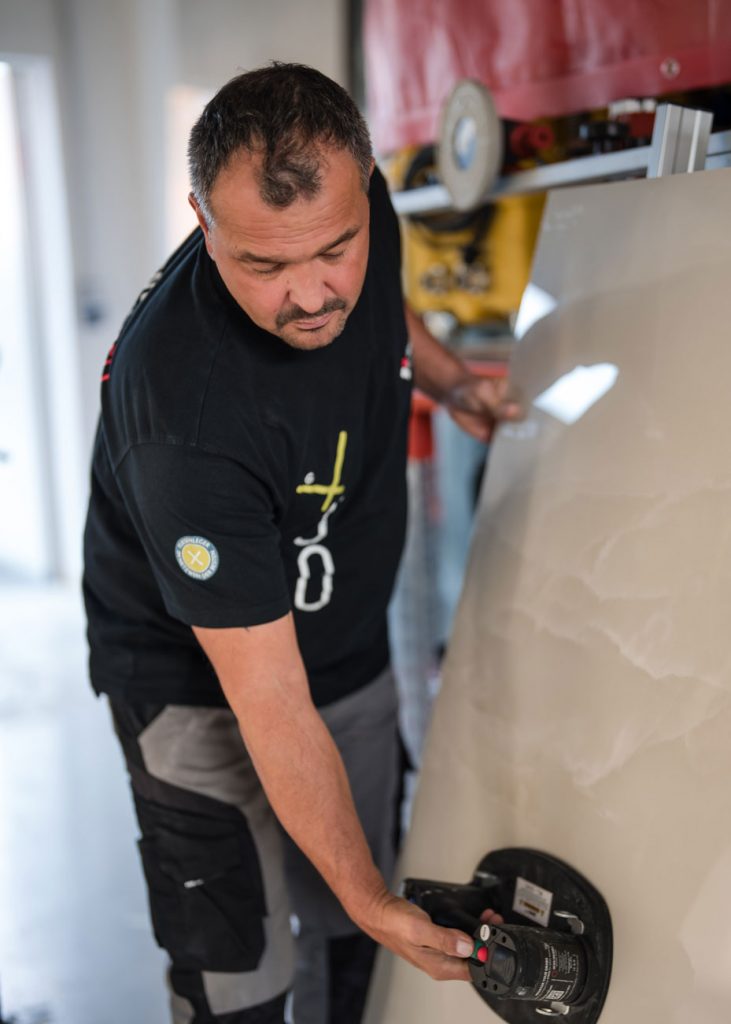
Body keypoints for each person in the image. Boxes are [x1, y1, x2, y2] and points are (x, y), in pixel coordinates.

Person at [83, 62, 515, 1024]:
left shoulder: (369, 215)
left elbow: (384, 307)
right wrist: (372, 898)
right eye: (262, 266)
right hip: (196, 681)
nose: (310, 296)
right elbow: (269, 703)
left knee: (355, 943)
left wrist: (447, 383)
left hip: (345, 644)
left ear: (363, 193)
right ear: (203, 222)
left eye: (332, 251)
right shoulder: (182, 420)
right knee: (241, 971)